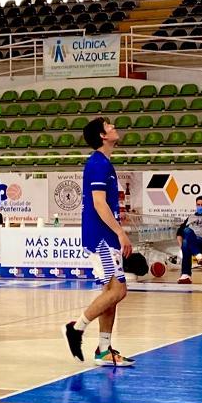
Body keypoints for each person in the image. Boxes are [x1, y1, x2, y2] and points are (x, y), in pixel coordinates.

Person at [64, 118, 135, 367]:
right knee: (119, 290)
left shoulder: (104, 163)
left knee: (111, 294)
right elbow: (98, 203)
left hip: (105, 234)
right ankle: (77, 328)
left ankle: (104, 349)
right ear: (102, 136)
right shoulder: (97, 164)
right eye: (110, 126)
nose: (115, 127)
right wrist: (120, 233)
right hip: (101, 237)